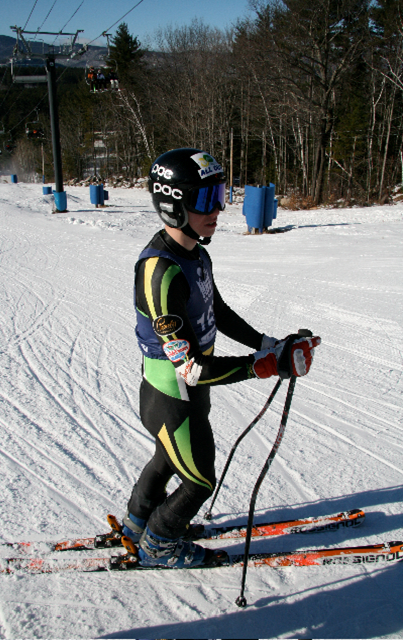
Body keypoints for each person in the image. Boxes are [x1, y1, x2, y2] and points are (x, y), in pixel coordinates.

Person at [122, 148, 321, 568]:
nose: (218, 211)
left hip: (187, 393)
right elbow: (191, 369)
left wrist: (268, 344)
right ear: (174, 206)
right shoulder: (160, 272)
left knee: (165, 461)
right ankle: (160, 545)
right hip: (171, 396)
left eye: (220, 196)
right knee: (198, 480)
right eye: (206, 200)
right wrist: (262, 366)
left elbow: (219, 311)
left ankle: (139, 525)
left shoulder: (195, 252)